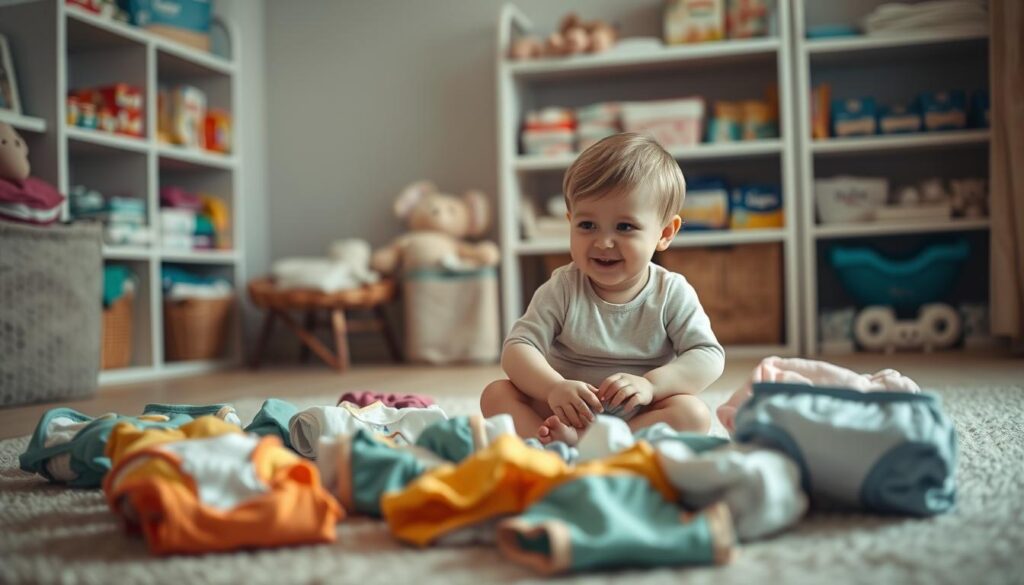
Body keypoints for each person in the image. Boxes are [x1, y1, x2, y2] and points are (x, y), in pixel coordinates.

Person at [480, 132, 724, 446]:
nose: (603, 242)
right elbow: (518, 349)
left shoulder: (671, 292)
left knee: (693, 414)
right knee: (496, 395)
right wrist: (553, 387)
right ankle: (564, 442)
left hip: (637, 414)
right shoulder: (563, 287)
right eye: (587, 225)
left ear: (665, 233)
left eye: (625, 227)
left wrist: (651, 385)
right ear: (570, 222)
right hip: (565, 407)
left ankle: (594, 445)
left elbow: (707, 356)